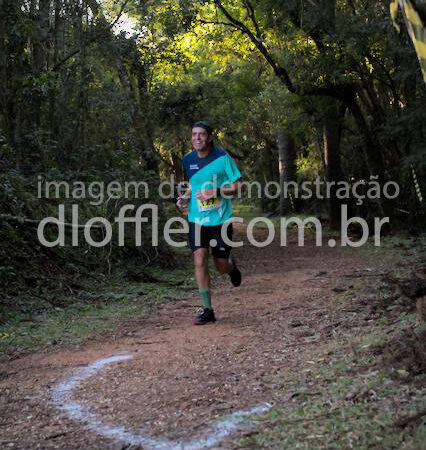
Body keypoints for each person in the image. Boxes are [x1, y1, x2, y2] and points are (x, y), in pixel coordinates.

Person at [177, 121, 242, 325]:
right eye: (194, 134)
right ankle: (207, 310)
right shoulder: (187, 160)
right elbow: (193, 186)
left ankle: (231, 268)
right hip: (197, 219)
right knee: (199, 258)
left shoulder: (223, 158)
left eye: (201, 134)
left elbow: (239, 186)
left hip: (220, 219)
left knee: (220, 266)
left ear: (209, 137)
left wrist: (216, 191)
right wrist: (185, 198)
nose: (197, 138)